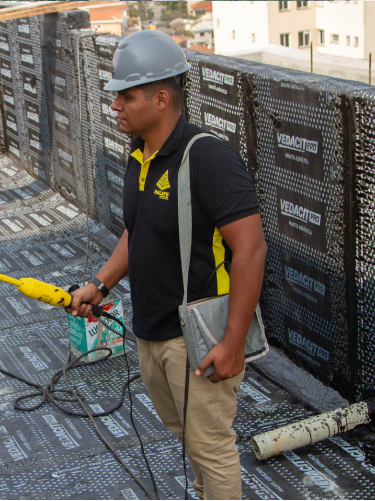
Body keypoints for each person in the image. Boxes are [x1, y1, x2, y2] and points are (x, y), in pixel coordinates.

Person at [66, 30, 267, 500]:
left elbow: (251, 248)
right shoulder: (141, 155)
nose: (115, 104)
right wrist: (100, 283)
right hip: (150, 333)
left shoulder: (208, 158)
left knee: (212, 449)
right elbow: (137, 232)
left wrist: (233, 341)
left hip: (195, 341)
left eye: (126, 95)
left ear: (160, 98)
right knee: (193, 444)